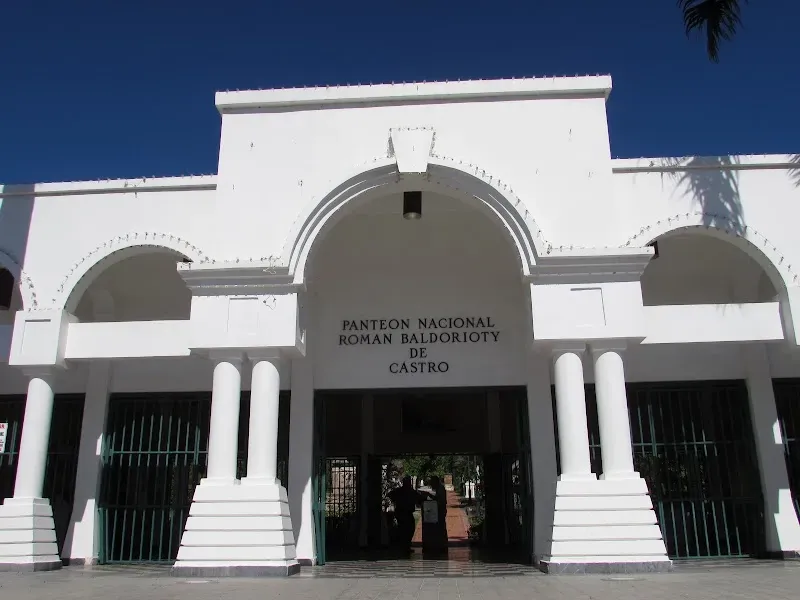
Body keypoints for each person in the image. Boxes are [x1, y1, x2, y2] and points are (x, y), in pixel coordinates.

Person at [388, 476, 422, 553]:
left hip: (403, 513)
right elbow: (419, 499)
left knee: (406, 530)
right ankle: (404, 546)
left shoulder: (403, 491)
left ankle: (405, 546)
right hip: (405, 513)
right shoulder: (405, 491)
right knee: (408, 529)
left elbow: (419, 499)